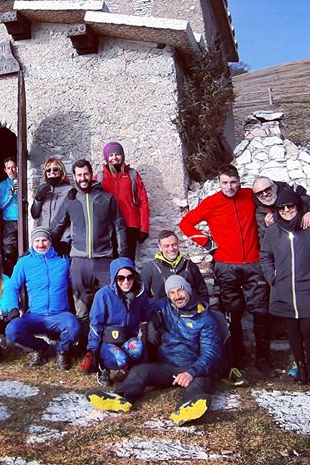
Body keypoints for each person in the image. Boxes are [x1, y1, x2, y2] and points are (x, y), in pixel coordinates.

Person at [179, 164, 274, 376]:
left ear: (239, 181)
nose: (230, 187)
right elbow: (186, 223)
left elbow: (274, 197)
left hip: (253, 263)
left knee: (260, 312)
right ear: (219, 183)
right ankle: (236, 357)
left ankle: (263, 358)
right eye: (225, 183)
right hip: (225, 265)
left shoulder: (250, 195)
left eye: (233, 182)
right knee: (234, 312)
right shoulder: (212, 202)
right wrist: (208, 244)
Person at [88, 275, 221, 427]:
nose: (177, 296)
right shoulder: (164, 306)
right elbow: (139, 304)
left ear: (188, 290)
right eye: (172, 292)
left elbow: (211, 354)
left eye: (180, 290)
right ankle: (121, 398)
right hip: (167, 366)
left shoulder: (205, 318)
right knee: (140, 371)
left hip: (193, 367)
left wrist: (191, 372)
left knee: (200, 383)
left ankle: (186, 408)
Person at [252, 176, 310, 381]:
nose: (286, 210)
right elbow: (266, 254)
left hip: (309, 285)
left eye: (290, 207)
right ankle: (300, 367)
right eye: (282, 208)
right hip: (285, 287)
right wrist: (272, 277)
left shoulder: (309, 224)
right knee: (293, 329)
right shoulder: (272, 228)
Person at [49, 159, 127, 364]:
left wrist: (123, 256)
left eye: (86, 174)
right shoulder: (70, 199)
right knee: (81, 307)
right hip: (79, 261)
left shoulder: (107, 199)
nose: (82, 178)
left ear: (91, 175)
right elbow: (57, 226)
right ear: (74, 177)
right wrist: (53, 248)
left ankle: (108, 346)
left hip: (104, 260)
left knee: (111, 303)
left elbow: (120, 227)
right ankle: (86, 350)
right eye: (79, 175)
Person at [5, 227, 80, 370]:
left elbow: (77, 280)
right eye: (37, 241)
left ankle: (61, 350)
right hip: (35, 315)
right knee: (12, 330)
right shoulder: (24, 263)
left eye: (44, 240)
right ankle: (40, 348)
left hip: (60, 314)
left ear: (50, 242)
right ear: (32, 243)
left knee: (74, 326)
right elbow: (12, 286)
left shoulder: (63, 261)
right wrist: (13, 308)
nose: (41, 244)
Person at [84, 258, 149, 386]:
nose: (126, 282)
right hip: (108, 341)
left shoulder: (139, 294)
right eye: (121, 278)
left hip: (128, 338)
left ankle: (130, 367)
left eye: (130, 277)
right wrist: (93, 349)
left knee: (138, 348)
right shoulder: (103, 295)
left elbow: (145, 315)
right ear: (114, 278)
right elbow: (95, 323)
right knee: (120, 358)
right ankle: (103, 367)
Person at [97, 142, 150, 262]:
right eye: (111, 155)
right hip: (108, 227)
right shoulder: (100, 178)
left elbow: (143, 202)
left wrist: (144, 228)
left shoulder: (132, 175)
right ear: (106, 157)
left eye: (118, 154)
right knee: (110, 262)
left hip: (129, 226)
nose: (114, 157)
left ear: (123, 156)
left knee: (127, 262)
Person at [139, 231, 210, 304]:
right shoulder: (150, 268)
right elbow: (142, 297)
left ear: (178, 244)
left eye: (174, 244)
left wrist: (201, 310)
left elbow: (203, 293)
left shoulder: (190, 266)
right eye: (167, 246)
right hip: (161, 313)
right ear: (160, 247)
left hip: (189, 312)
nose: (171, 249)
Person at [0, 157, 20, 274]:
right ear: (5, 170)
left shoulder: (23, 180)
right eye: (8, 168)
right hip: (9, 222)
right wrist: (10, 194)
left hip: (23, 220)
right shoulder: (3, 185)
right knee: (9, 250)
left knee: (24, 249)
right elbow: (1, 205)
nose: (11, 170)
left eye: (13, 167)